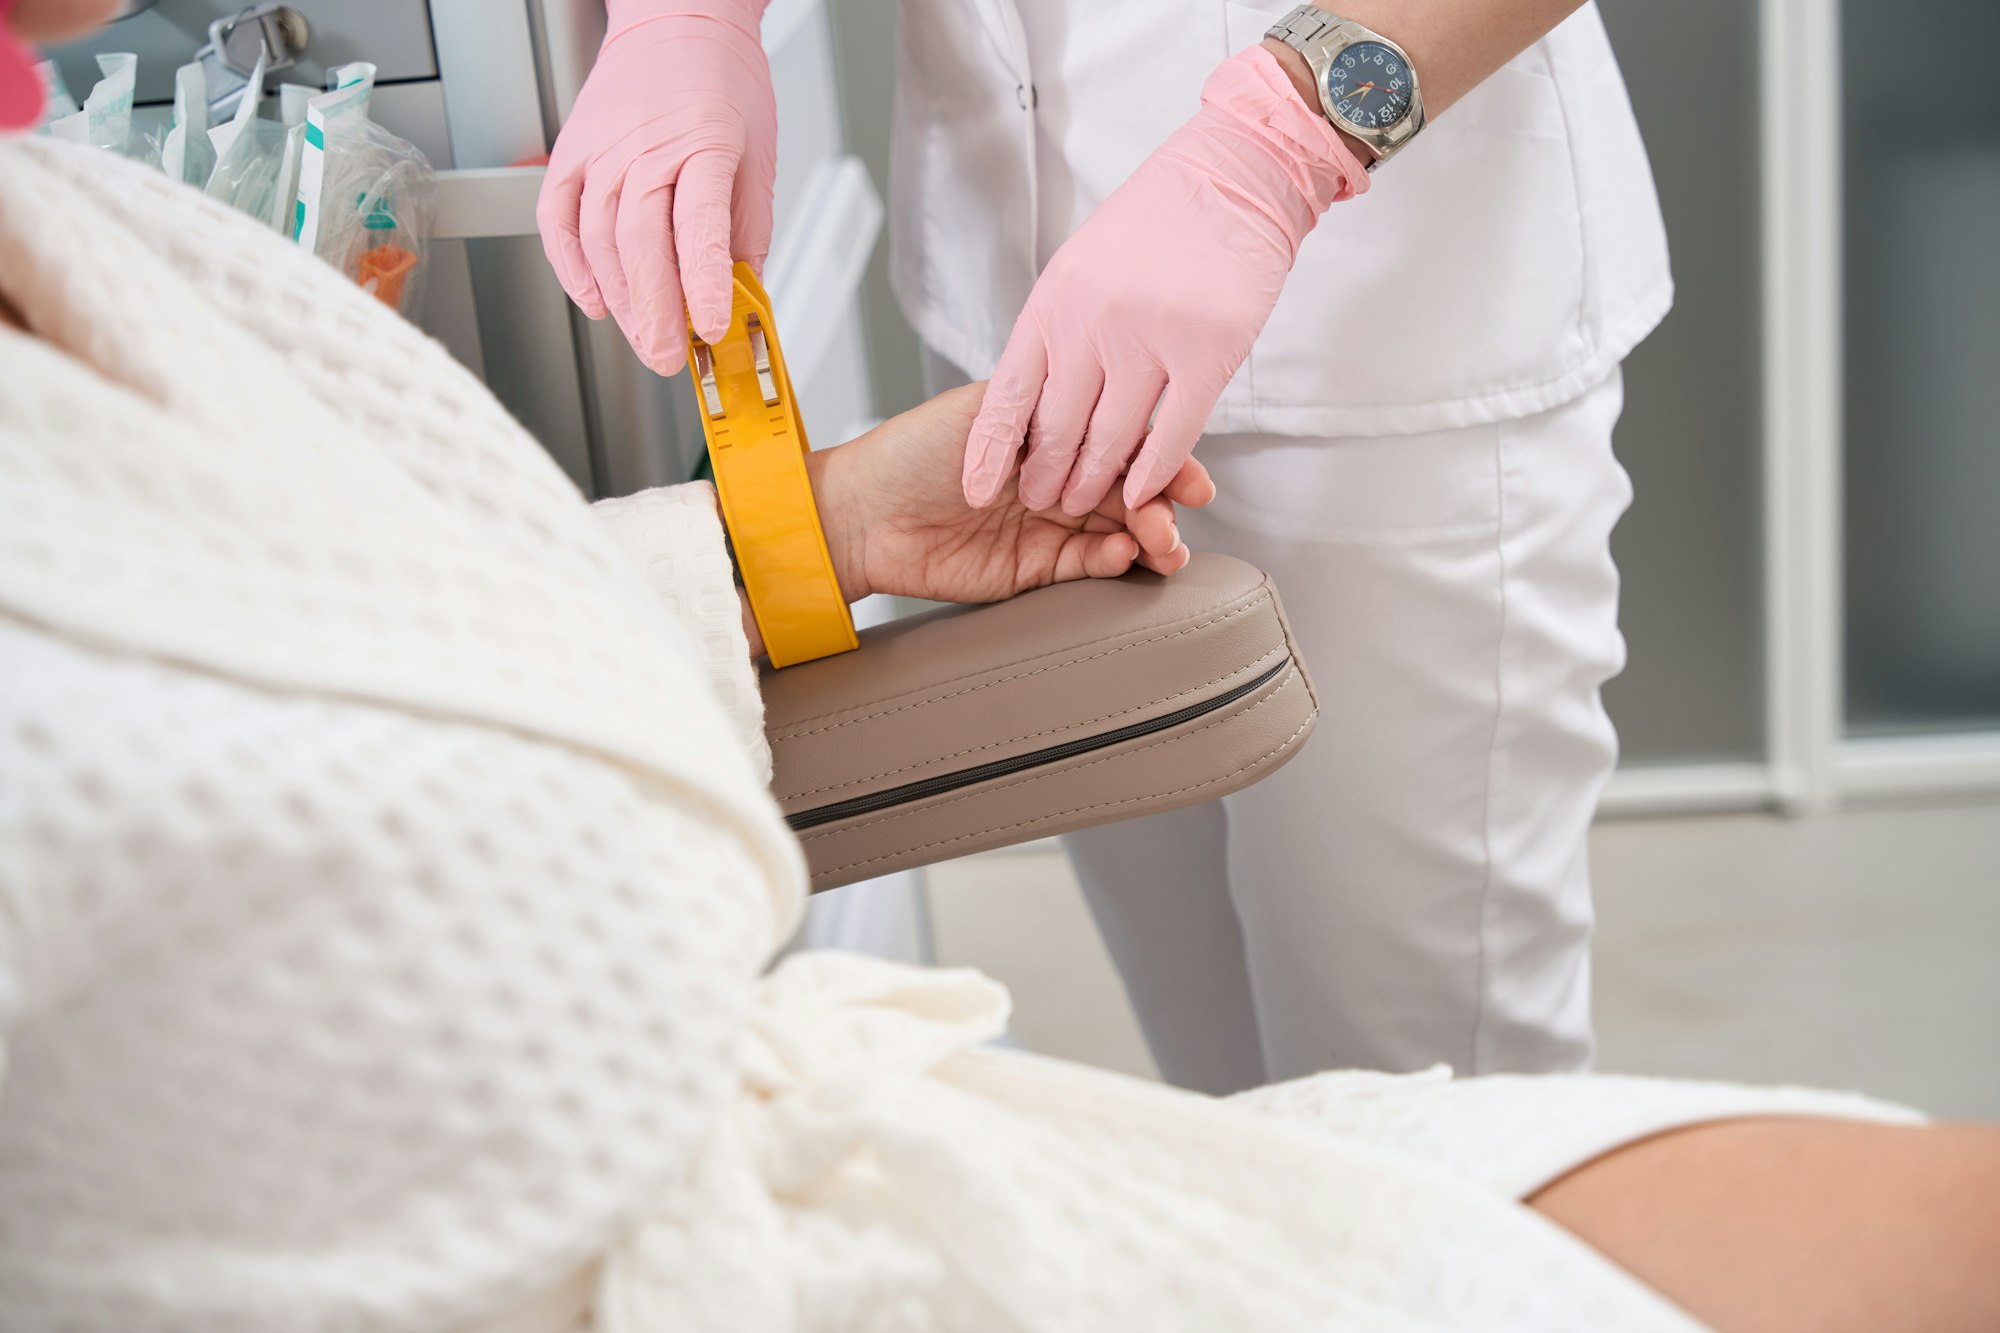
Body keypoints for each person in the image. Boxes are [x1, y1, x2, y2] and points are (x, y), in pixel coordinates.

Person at [6, 11, 2000, 1329]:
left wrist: (1278, 140)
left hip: (1389, 306)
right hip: (1026, 294)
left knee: (1438, 1071)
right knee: (1234, 1086)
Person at [539, 0, 1668, 1093]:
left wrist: (1274, 141)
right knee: (1215, 1068)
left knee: (1428, 1092)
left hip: (1391, 337)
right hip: (1023, 317)